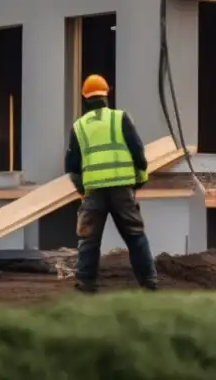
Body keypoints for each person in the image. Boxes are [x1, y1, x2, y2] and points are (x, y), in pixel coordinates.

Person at [64, 74, 158, 293]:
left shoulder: (79, 127)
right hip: (122, 189)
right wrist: (138, 182)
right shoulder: (120, 118)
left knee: (88, 239)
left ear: (85, 98)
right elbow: (139, 154)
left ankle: (86, 285)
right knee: (135, 235)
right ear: (107, 94)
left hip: (94, 191)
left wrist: (83, 192)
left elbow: (72, 167)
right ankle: (149, 283)